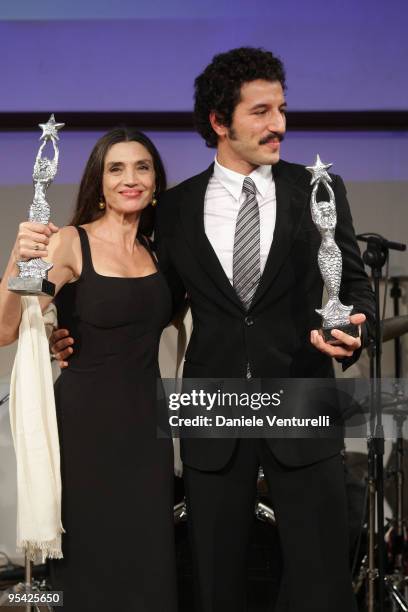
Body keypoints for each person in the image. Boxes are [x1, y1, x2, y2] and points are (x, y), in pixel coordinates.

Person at [53, 48, 375, 611]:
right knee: (216, 586)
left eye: (281, 108)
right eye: (260, 111)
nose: (278, 124)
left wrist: (354, 328)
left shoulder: (319, 188)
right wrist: (76, 333)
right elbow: (152, 298)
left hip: (300, 400)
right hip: (212, 412)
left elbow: (352, 285)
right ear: (219, 122)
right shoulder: (174, 209)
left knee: (322, 585)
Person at [0, 128, 177, 612]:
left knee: (150, 566)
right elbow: (9, 326)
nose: (130, 179)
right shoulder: (71, 243)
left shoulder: (160, 253)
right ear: (98, 183)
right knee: (90, 569)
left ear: (156, 180)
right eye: (115, 169)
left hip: (147, 430)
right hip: (85, 430)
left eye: (141, 167)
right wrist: (19, 259)